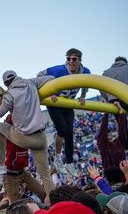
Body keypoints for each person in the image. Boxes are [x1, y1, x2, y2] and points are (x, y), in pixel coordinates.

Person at [0, 70, 55, 194]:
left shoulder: (10, 94)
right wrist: (49, 93)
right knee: (45, 174)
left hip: (24, 137)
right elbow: (51, 78)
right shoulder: (31, 82)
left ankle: (1, 164)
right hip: (40, 137)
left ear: (6, 83)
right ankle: (56, 202)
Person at [37, 48, 91, 176]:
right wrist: (49, 91)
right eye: (68, 59)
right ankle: (57, 159)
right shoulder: (59, 70)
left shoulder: (86, 71)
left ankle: (69, 163)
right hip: (55, 102)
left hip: (68, 103)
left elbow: (88, 83)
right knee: (62, 129)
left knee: (69, 133)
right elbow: (39, 75)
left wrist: (83, 95)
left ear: (80, 60)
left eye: (74, 59)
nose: (71, 62)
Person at [0, 115, 47, 202]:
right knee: (17, 205)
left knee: (43, 194)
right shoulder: (10, 138)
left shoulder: (25, 136)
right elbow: (12, 118)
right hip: (11, 177)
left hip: (23, 173)